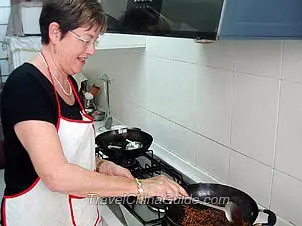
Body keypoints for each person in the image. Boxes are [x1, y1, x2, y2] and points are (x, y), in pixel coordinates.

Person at [0, 0, 188, 225]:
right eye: (86, 40)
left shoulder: (68, 81)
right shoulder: (26, 86)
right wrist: (140, 187)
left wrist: (101, 166)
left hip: (79, 215)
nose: (92, 50)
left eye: (95, 40)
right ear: (55, 32)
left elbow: (69, 150)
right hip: (39, 216)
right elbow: (56, 175)